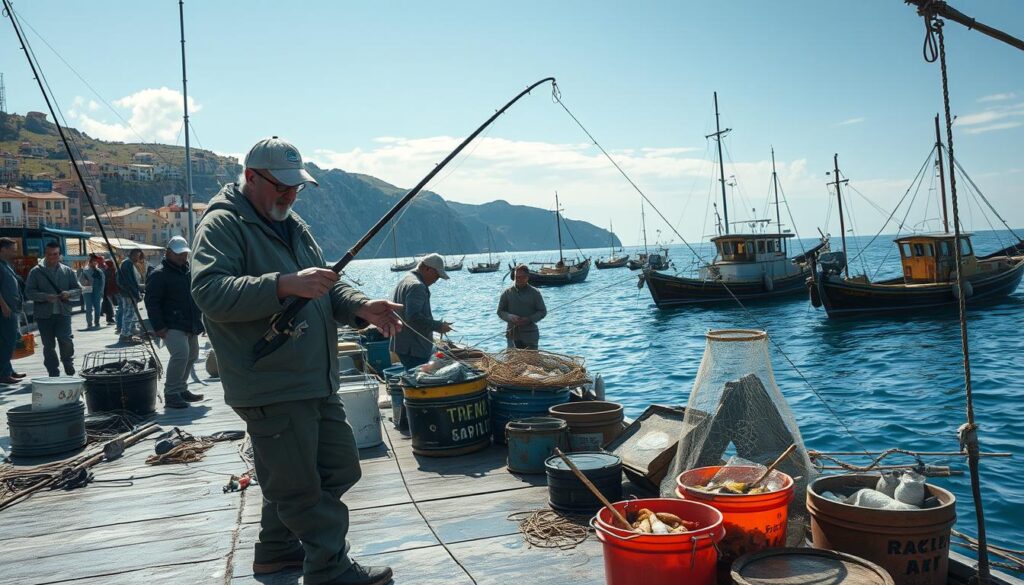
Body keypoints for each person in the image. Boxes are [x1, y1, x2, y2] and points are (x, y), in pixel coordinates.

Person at [191, 136, 401, 585]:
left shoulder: (293, 224)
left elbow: (325, 284)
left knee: (338, 467)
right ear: (250, 177)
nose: (290, 195)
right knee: (300, 489)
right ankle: (330, 571)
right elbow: (209, 292)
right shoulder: (222, 224)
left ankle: (276, 551)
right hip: (269, 382)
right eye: (281, 186)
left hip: (314, 378)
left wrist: (361, 307)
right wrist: (284, 284)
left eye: (296, 187)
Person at [145, 236, 204, 409]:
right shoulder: (158, 274)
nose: (182, 257)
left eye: (184, 253)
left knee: (192, 355)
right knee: (180, 355)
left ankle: (181, 388)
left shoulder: (187, 271)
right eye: (179, 254)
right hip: (171, 324)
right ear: (168, 253)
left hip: (189, 322)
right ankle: (171, 393)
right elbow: (152, 302)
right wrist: (158, 326)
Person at [26, 241, 80, 377]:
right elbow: (28, 292)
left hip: (63, 312)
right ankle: (53, 371)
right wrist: (44, 296)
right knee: (48, 346)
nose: (52, 257)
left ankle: (67, 361)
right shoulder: (36, 272)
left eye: (55, 254)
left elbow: (78, 290)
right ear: (45, 254)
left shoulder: (67, 271)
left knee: (65, 339)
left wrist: (69, 293)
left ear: (59, 254)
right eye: (50, 254)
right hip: (44, 315)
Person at [390, 253, 453, 369]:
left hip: (403, 345)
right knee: (420, 381)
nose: (436, 280)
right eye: (437, 276)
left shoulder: (406, 278)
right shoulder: (417, 286)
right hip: (414, 348)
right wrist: (439, 326)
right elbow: (413, 318)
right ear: (427, 268)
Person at [497, 264, 547, 350]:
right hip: (512, 335)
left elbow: (542, 311)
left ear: (527, 277)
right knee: (512, 361)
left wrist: (529, 319)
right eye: (517, 277)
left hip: (530, 336)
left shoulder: (535, 293)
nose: (518, 279)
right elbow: (500, 311)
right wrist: (509, 317)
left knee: (532, 362)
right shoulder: (507, 293)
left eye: (521, 277)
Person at [0, 238, 26, 384]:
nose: (14, 251)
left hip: (12, 308)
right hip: (5, 310)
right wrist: (4, 305)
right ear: (3, 249)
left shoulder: (5, 264)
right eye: (12, 248)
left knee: (8, 340)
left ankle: (8, 370)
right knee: (8, 341)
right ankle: (4, 374)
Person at [116, 248, 144, 343]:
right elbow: (129, 282)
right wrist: (135, 294)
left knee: (130, 314)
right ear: (132, 254)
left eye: (139, 255)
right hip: (129, 294)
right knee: (129, 314)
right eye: (137, 255)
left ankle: (129, 333)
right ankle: (125, 335)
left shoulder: (128, 263)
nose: (138, 257)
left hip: (128, 293)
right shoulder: (127, 264)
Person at [78, 254, 106, 330]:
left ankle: (97, 322)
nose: (94, 263)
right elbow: (79, 281)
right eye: (93, 261)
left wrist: (102, 292)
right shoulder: (85, 271)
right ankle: (89, 323)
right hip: (87, 290)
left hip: (97, 290)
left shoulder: (99, 271)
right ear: (90, 262)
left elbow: (103, 282)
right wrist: (84, 282)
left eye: (95, 261)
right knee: (89, 308)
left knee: (97, 308)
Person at [103, 255, 119, 327]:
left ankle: (114, 319)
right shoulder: (110, 271)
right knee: (112, 306)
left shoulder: (110, 271)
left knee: (114, 306)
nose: (104, 265)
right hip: (110, 291)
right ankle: (112, 319)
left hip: (111, 291)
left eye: (105, 264)